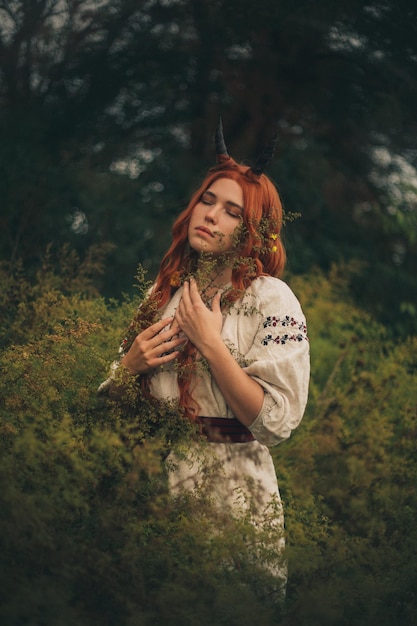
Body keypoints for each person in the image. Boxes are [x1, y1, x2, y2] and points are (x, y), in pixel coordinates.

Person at [99, 120, 310, 597]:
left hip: (235, 494)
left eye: (232, 211)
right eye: (208, 200)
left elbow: (276, 423)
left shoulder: (272, 300)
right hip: (153, 490)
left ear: (254, 229)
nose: (210, 215)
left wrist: (212, 346)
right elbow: (111, 413)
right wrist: (128, 367)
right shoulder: (162, 292)